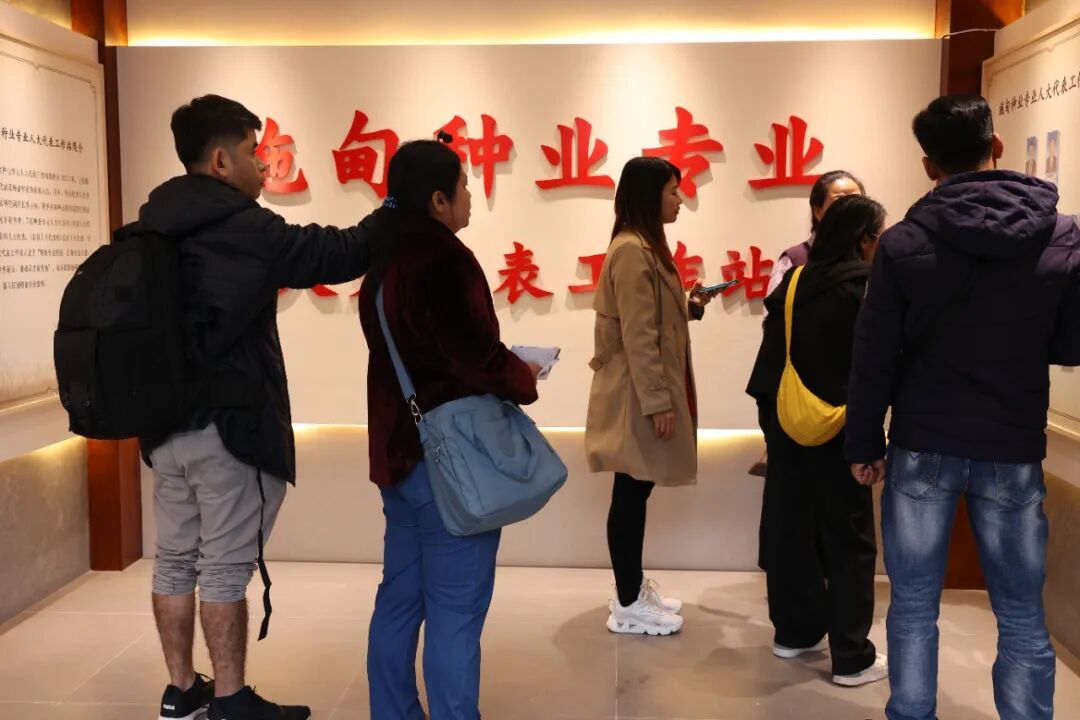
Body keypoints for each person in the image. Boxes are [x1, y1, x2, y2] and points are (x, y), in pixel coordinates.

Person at [139, 94, 386, 720]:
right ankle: (229, 700)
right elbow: (337, 252)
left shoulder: (154, 224)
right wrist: (394, 207)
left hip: (163, 426)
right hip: (229, 429)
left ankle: (181, 690)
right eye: (254, 152)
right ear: (221, 160)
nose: (264, 165)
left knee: (174, 561)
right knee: (224, 570)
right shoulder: (242, 226)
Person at [846, 94, 1080, 720]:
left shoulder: (902, 242)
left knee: (913, 604)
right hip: (1012, 446)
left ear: (929, 165)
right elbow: (1071, 345)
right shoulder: (1062, 235)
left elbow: (874, 355)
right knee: (1022, 611)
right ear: (995, 146)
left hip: (923, 444)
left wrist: (863, 443)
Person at [358, 139, 542, 720]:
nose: (470, 198)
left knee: (398, 601)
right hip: (451, 466)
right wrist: (525, 373)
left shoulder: (381, 260)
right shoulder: (446, 260)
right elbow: (477, 357)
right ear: (438, 199)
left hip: (398, 456)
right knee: (455, 612)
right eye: (463, 187)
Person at [746, 195, 889, 687]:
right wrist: (869, 444)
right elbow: (873, 370)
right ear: (863, 240)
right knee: (849, 541)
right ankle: (851, 657)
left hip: (788, 424)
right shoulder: (868, 288)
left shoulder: (793, 282)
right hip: (845, 431)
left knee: (791, 530)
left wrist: (774, 427)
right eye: (879, 236)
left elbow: (769, 361)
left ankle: (794, 633)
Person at [585, 156, 717, 636]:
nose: (680, 200)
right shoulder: (631, 251)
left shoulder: (644, 247)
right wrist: (658, 403)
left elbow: (655, 320)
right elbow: (640, 337)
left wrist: (690, 307)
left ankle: (633, 588)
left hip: (639, 389)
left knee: (634, 490)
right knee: (630, 492)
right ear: (649, 195)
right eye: (672, 191)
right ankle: (627, 602)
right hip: (635, 395)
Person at [765, 170, 865, 298]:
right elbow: (773, 309)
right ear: (818, 211)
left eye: (857, 201)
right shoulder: (794, 260)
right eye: (839, 201)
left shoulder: (872, 254)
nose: (851, 208)